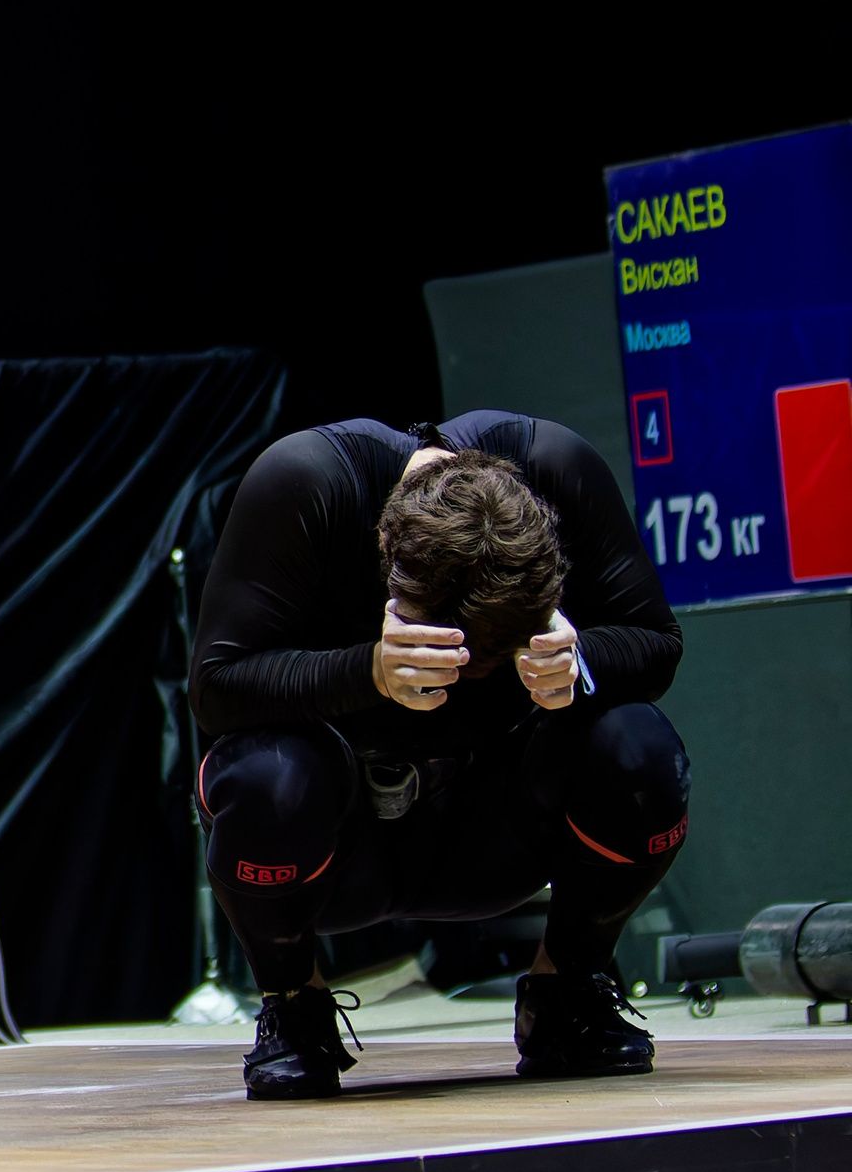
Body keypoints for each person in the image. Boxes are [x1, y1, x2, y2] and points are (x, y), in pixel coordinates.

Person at [189, 411, 687, 1099]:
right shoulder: (305, 483)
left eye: (492, 652)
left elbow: (658, 640)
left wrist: (581, 658)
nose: (468, 672)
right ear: (391, 574)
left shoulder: (558, 467)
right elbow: (215, 689)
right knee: (264, 775)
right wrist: (366, 670)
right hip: (343, 841)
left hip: (493, 824)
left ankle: (567, 987)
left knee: (640, 748)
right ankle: (294, 1003)